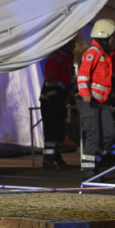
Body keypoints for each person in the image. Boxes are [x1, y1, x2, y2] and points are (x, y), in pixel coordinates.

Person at [76, 18, 115, 180]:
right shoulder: (92, 53)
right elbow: (82, 76)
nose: (113, 39)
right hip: (89, 101)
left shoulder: (103, 54)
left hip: (100, 101)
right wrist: (86, 94)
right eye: (112, 36)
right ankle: (88, 172)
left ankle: (94, 162)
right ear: (106, 36)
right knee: (93, 135)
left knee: (110, 133)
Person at [39, 39, 76, 170]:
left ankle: (57, 157)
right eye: (72, 43)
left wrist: (71, 89)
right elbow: (52, 82)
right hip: (50, 100)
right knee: (51, 131)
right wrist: (65, 88)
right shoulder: (55, 59)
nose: (74, 46)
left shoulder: (67, 58)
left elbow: (70, 77)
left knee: (60, 130)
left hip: (60, 99)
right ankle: (47, 160)